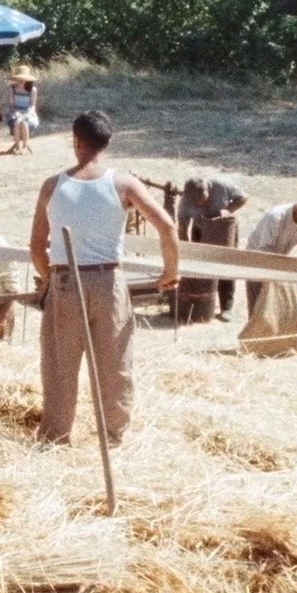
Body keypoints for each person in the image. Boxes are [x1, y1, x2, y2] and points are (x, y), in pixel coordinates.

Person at [31, 111, 180, 446]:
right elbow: (167, 227)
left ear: (76, 142)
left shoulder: (53, 186)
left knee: (60, 365)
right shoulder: (123, 184)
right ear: (106, 143)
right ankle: (112, 439)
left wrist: (49, 280)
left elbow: (37, 247)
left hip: (66, 281)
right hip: (108, 282)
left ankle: (56, 438)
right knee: (114, 365)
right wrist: (171, 271)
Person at [177, 176, 249, 320]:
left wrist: (228, 209)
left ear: (208, 189)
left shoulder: (221, 184)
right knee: (202, 266)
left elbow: (244, 197)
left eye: (205, 201)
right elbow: (183, 229)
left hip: (224, 229)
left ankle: (226, 308)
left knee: (225, 265)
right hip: (201, 229)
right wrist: (189, 251)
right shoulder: (185, 203)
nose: (203, 206)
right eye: (199, 205)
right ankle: (204, 303)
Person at [244, 195, 297, 313]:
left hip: (276, 261)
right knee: (258, 303)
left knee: (274, 305)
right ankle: (254, 329)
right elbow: (265, 248)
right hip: (257, 259)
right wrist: (282, 264)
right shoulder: (276, 217)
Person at [6, 65, 39, 155]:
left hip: (28, 112)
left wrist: (26, 114)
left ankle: (24, 147)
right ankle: (17, 147)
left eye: (23, 79)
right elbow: (11, 104)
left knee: (24, 123)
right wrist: (16, 113)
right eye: (19, 78)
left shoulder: (33, 90)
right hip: (14, 112)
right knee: (17, 122)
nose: (21, 81)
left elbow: (32, 105)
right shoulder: (12, 88)